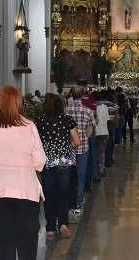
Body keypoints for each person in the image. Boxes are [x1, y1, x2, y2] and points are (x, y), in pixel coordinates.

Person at [0, 86, 47, 259]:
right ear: (18, 102)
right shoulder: (29, 126)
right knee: (27, 235)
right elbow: (39, 162)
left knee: (2, 236)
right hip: (24, 188)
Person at [35, 93, 81, 238]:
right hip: (64, 162)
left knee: (48, 195)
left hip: (47, 162)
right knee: (63, 192)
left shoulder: (39, 120)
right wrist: (68, 146)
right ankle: (63, 223)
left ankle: (49, 227)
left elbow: (35, 141)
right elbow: (77, 141)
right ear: (61, 106)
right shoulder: (67, 120)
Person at [66, 86, 96, 212]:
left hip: (68, 147)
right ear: (83, 95)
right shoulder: (88, 111)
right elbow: (91, 129)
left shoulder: (65, 110)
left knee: (68, 175)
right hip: (83, 147)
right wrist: (84, 138)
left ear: (72, 94)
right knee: (81, 175)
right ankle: (77, 204)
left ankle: (69, 202)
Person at [95, 92, 110, 177]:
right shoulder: (104, 107)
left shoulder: (92, 107)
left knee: (95, 152)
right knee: (102, 151)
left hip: (96, 132)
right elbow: (107, 119)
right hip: (104, 131)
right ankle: (101, 169)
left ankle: (95, 169)